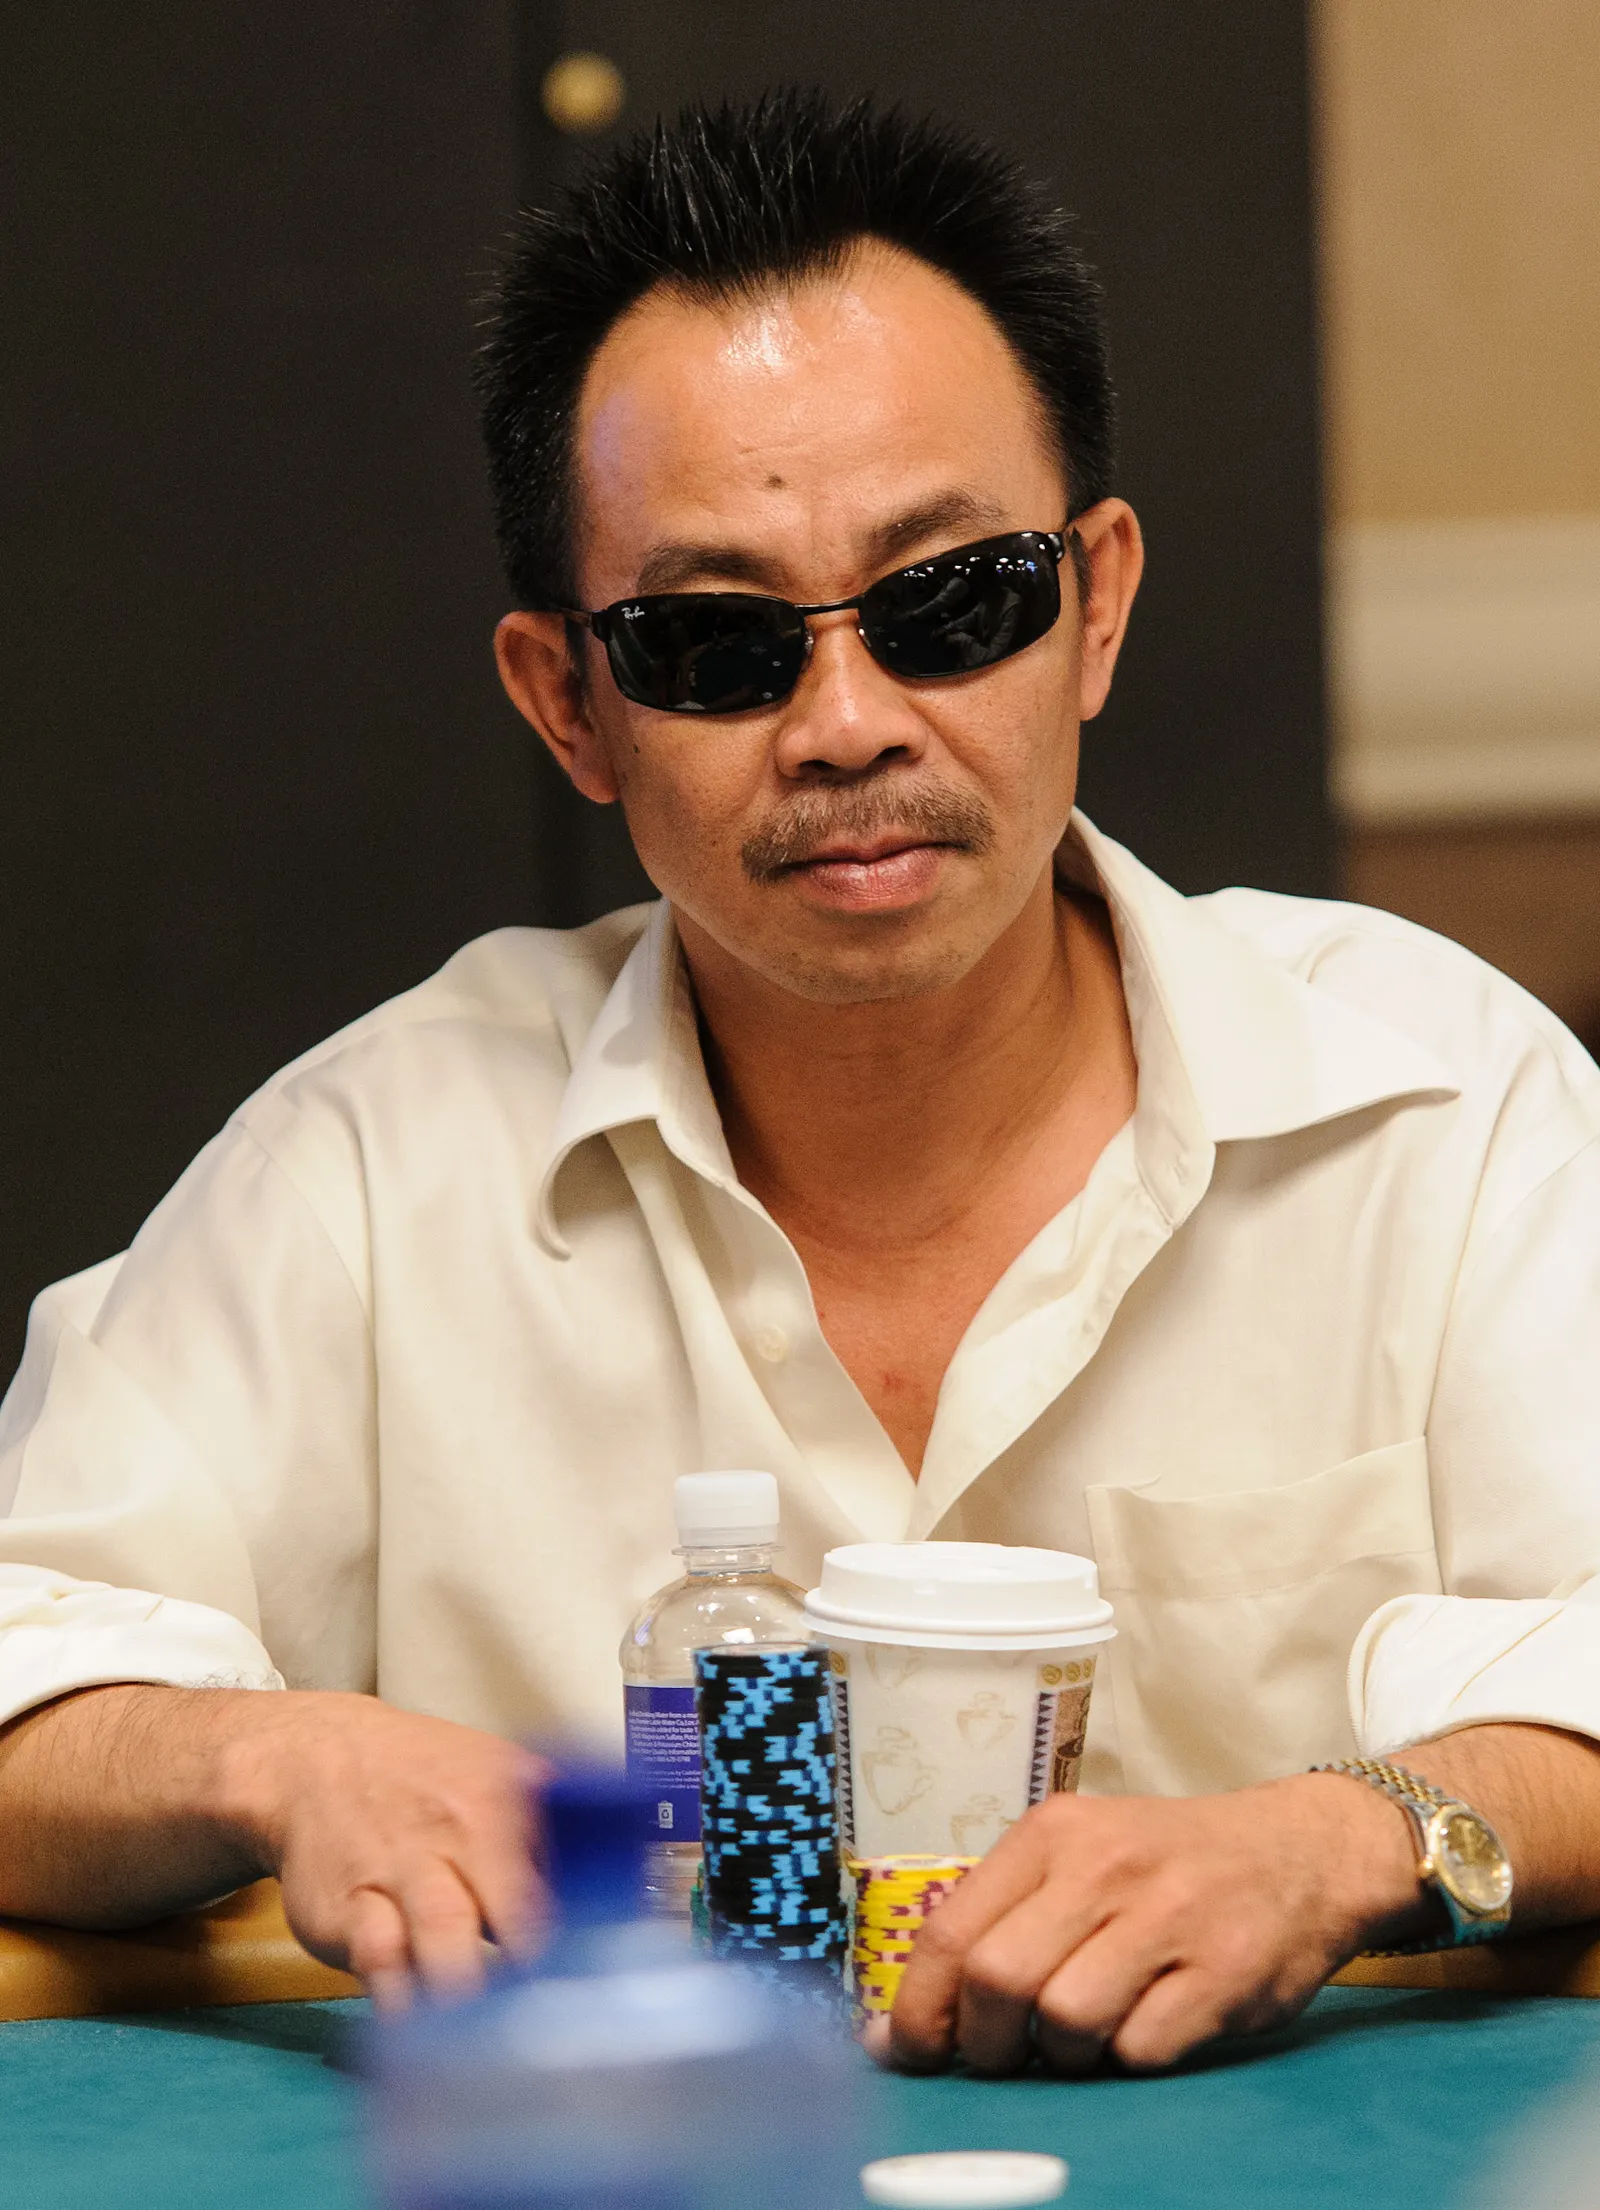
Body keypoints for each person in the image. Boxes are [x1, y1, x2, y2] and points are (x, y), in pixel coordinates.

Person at [1, 93, 1598, 2058]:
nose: (847, 723)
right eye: (712, 642)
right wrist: (283, 1756)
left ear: (1095, 604)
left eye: (952, 601)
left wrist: (1346, 1833)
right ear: (569, 706)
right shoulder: (370, 1162)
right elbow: (25, 1663)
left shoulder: (1442, 1101)